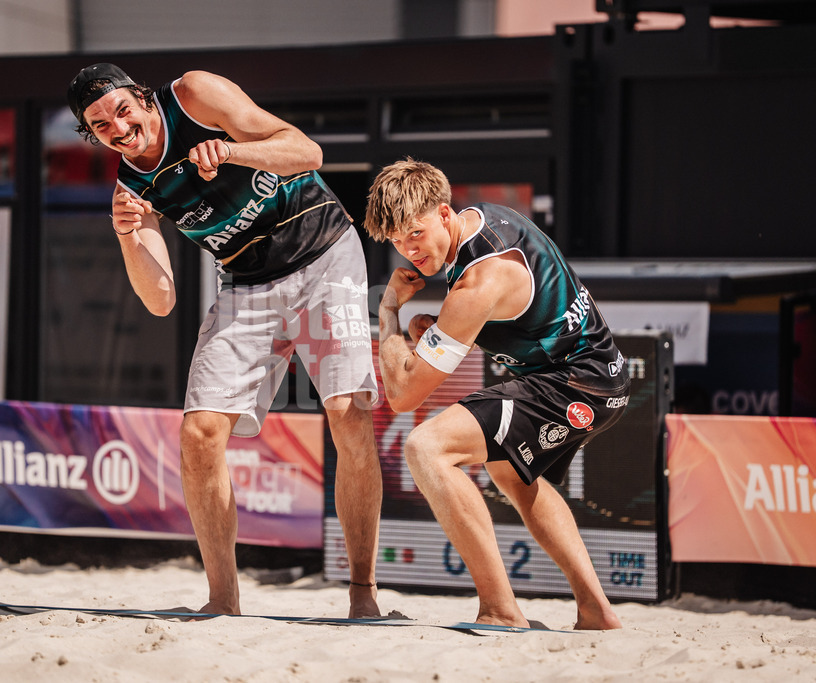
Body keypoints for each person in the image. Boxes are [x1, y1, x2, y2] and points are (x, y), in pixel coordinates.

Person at [66, 64, 382, 618]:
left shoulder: (193, 95)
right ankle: (222, 601)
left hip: (323, 251)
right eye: (100, 124)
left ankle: (362, 593)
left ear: (142, 98)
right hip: (248, 281)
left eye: (122, 109)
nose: (118, 126)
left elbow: (306, 153)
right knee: (200, 434)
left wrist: (233, 152)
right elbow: (160, 298)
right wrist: (125, 234)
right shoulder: (131, 187)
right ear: (92, 135)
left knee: (347, 413)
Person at [363, 158, 627, 630]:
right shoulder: (484, 219)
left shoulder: (478, 281)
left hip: (574, 382)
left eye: (415, 234)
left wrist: (387, 313)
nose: (409, 250)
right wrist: (437, 326)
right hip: (594, 374)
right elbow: (503, 319)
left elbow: (402, 395)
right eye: (397, 242)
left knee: (427, 447)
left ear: (443, 213)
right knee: (511, 475)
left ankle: (500, 610)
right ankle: (596, 611)